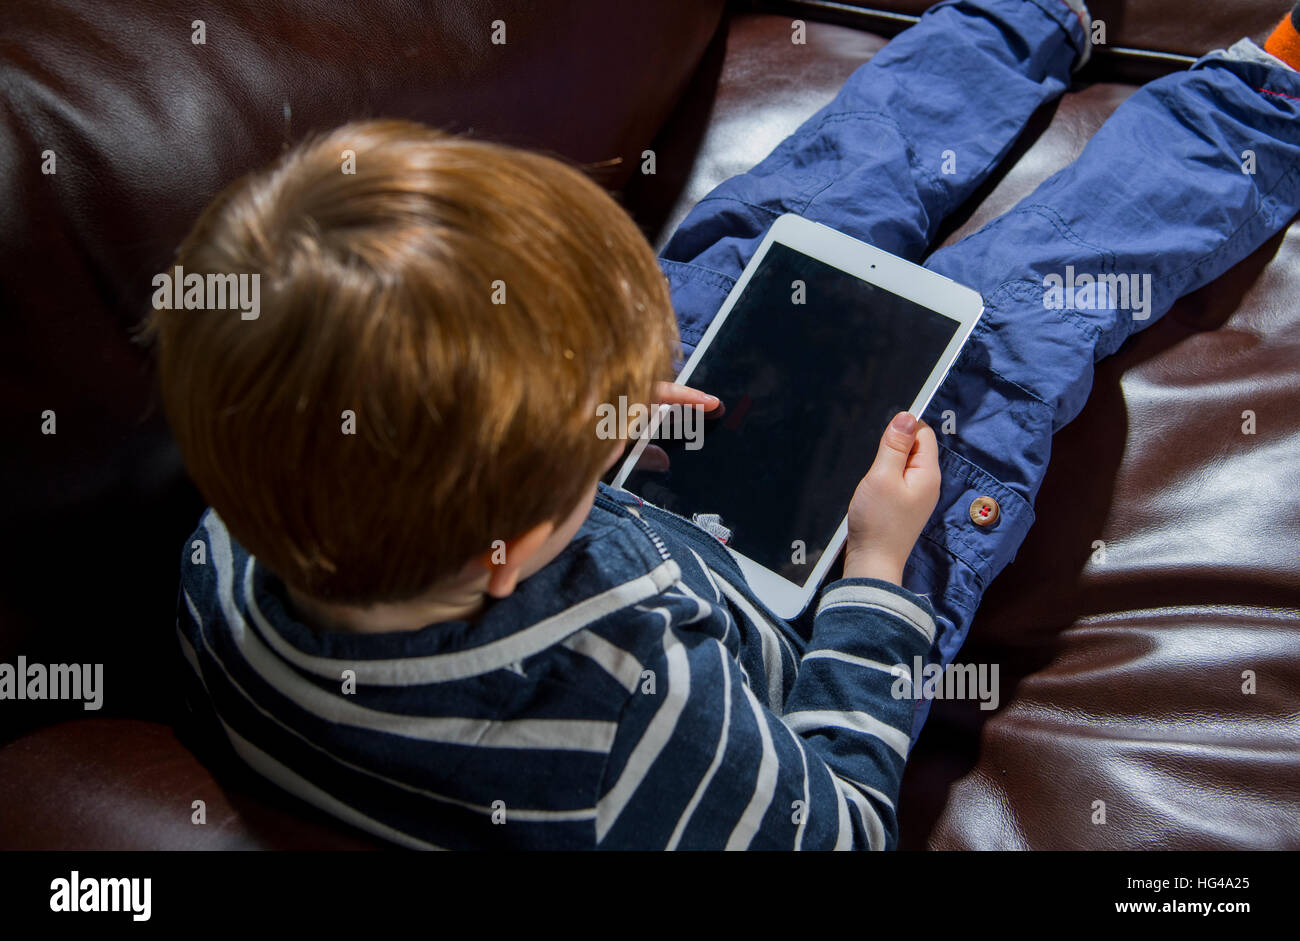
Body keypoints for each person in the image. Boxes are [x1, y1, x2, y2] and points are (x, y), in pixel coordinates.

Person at [151, 0, 1300, 849]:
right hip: (813, 603)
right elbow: (839, 822)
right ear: (522, 528)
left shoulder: (241, 535)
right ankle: (1260, 108)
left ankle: (1019, 18)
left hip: (561, 498)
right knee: (1020, 312)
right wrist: (882, 570)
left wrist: (586, 425)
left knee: (776, 222)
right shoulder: (637, 736)